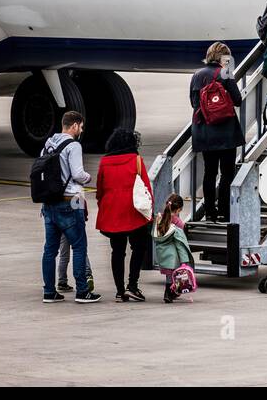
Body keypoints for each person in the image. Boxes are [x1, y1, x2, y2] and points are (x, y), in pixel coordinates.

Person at [40, 110, 100, 304]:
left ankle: (49, 292)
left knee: (50, 250)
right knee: (79, 246)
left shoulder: (48, 144)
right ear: (74, 125)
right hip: (70, 201)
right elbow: (78, 173)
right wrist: (89, 178)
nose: (81, 130)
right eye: (81, 127)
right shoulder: (73, 146)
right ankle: (82, 291)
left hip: (49, 203)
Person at [94, 127, 153, 302]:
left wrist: (104, 206)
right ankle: (132, 286)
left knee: (117, 251)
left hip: (112, 212)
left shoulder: (104, 162)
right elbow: (146, 188)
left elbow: (100, 190)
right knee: (139, 247)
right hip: (134, 212)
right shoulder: (136, 160)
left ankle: (120, 291)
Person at [189, 42, 243, 222]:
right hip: (226, 131)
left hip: (204, 131)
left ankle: (210, 212)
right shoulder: (225, 73)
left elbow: (193, 102)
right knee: (227, 173)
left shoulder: (197, 75)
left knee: (209, 172)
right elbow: (237, 100)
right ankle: (225, 210)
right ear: (223, 58)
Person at [153, 193, 197, 303]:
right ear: (178, 210)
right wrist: (184, 261)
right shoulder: (178, 223)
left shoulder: (160, 218)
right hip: (174, 256)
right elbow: (180, 244)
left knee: (169, 276)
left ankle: (170, 293)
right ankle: (169, 294)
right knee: (175, 276)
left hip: (163, 255)